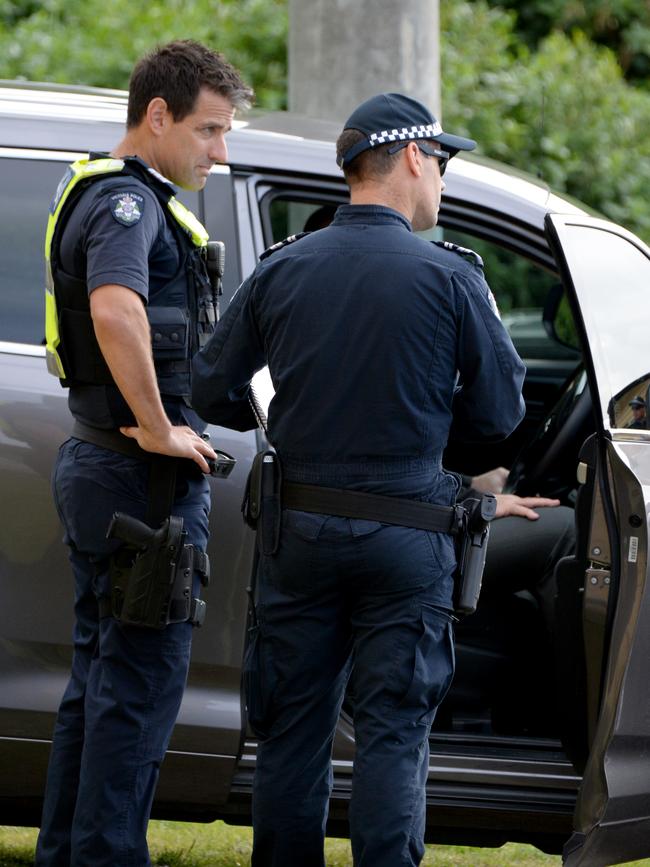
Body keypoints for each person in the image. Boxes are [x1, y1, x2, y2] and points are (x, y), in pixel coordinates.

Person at [191, 91, 527, 867]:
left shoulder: (285, 268)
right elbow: (501, 410)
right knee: (393, 730)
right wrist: (441, 444)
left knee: (292, 730)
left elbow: (210, 388)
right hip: (410, 536)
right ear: (412, 157)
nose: (441, 181)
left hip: (299, 529)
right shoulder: (452, 276)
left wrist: (285, 422)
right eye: (441, 163)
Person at [35, 41, 252, 867]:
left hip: (106, 468)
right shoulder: (126, 205)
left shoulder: (112, 193)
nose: (219, 151)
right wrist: (161, 427)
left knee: (100, 691)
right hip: (138, 480)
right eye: (209, 130)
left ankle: (71, 854)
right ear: (156, 116)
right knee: (136, 697)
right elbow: (116, 312)